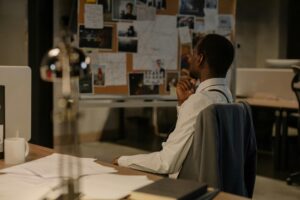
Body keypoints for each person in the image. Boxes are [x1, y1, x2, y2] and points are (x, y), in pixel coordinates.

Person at [113, 34, 235, 178]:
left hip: (187, 184)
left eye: (194, 53)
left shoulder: (199, 102)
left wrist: (122, 160)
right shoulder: (226, 96)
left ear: (200, 59)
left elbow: (166, 162)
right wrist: (183, 104)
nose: (189, 58)